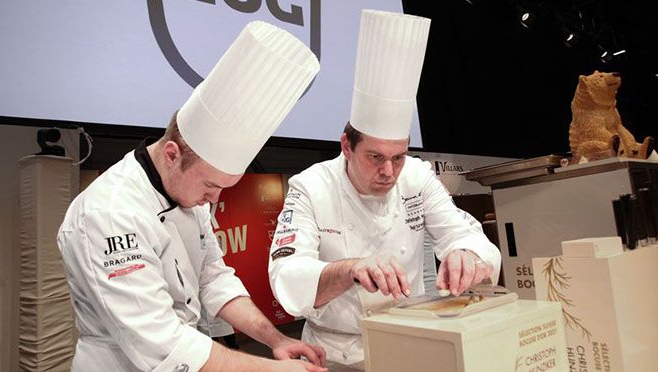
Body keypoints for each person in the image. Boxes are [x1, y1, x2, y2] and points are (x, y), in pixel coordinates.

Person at [57, 21, 327, 372]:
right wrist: (275, 370)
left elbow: (213, 279)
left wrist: (276, 339)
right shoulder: (108, 214)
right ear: (172, 154)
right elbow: (162, 343)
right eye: (210, 185)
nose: (213, 200)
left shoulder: (189, 195)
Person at [268, 10, 501, 371]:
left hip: (407, 340)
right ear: (346, 145)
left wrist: (467, 255)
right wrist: (351, 269)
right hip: (333, 352)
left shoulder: (418, 179)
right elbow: (286, 276)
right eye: (375, 156)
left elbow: (464, 236)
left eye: (398, 157)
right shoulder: (310, 186)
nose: (388, 171)